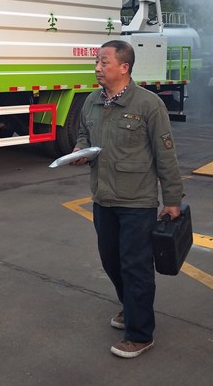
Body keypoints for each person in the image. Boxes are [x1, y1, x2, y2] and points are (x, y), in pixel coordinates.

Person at [71, 39, 183, 358]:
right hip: (103, 198)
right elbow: (84, 134)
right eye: (96, 61)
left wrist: (172, 199)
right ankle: (130, 306)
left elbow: (166, 155)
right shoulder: (92, 101)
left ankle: (140, 333)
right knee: (111, 260)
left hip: (137, 201)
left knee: (136, 266)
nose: (97, 68)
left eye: (104, 62)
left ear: (124, 67)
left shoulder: (148, 104)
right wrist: (80, 150)